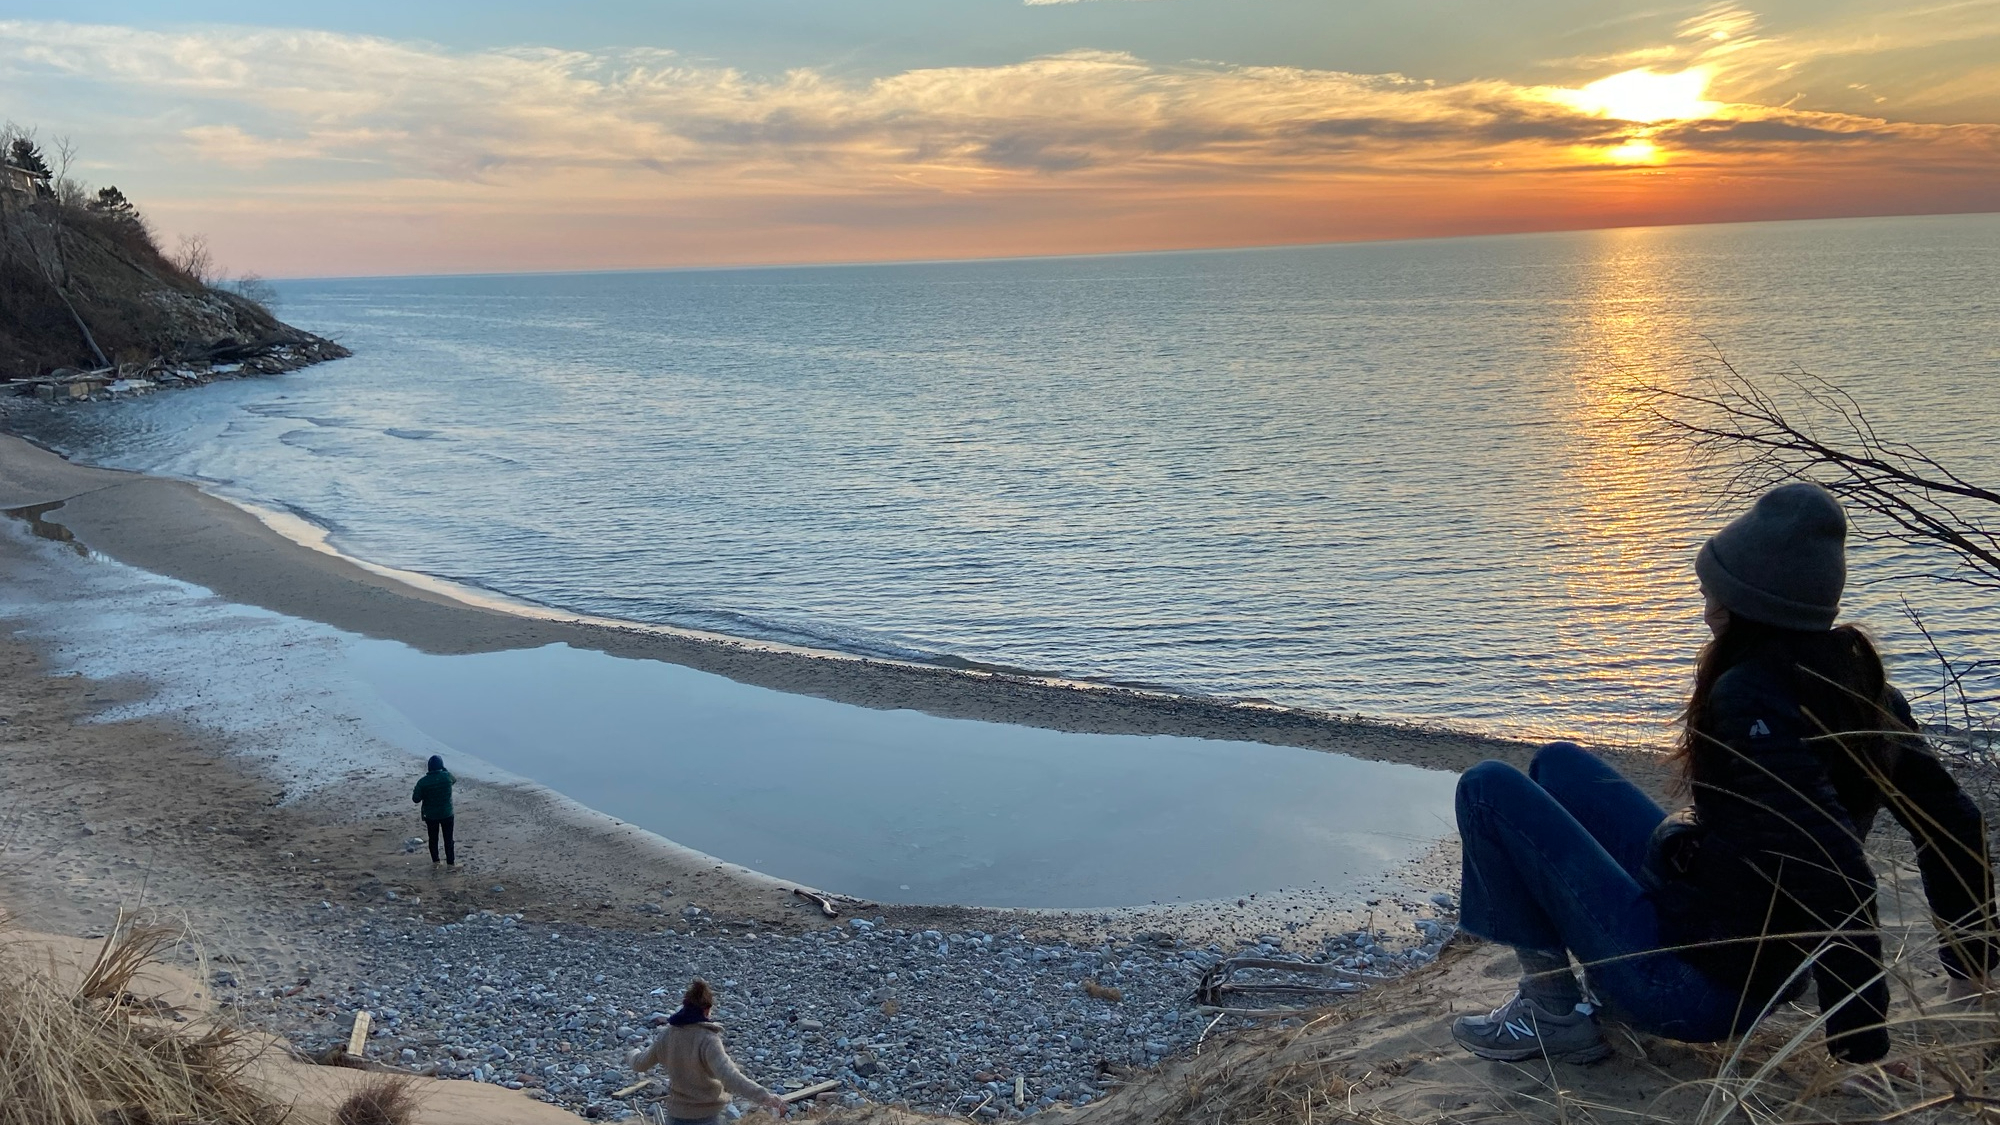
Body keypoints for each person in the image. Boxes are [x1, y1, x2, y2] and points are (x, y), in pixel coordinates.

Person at [1450, 481, 1995, 1067]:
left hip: (1697, 991)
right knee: (1556, 763)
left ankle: (1551, 1012)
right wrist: (1974, 970)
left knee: (1487, 789)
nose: (1706, 608)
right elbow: (1952, 823)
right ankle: (1563, 1000)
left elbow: (1835, 869)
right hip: (1736, 941)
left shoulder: (1749, 699)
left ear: (1750, 606)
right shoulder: (1863, 689)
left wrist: (1859, 1039)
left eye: (1715, 594)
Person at [630, 978, 788, 1123]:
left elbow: (640, 1064)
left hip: (676, 1116)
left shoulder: (667, 1035)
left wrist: (632, 1053)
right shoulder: (707, 1039)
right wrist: (764, 1096)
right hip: (707, 1116)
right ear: (706, 1010)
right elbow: (729, 1076)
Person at [411, 754, 456, 866]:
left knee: (433, 839)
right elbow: (454, 780)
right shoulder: (447, 777)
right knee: (448, 839)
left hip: (431, 815)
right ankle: (450, 862)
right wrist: (444, 769)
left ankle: (436, 861)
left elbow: (416, 799)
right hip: (447, 813)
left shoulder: (423, 782)